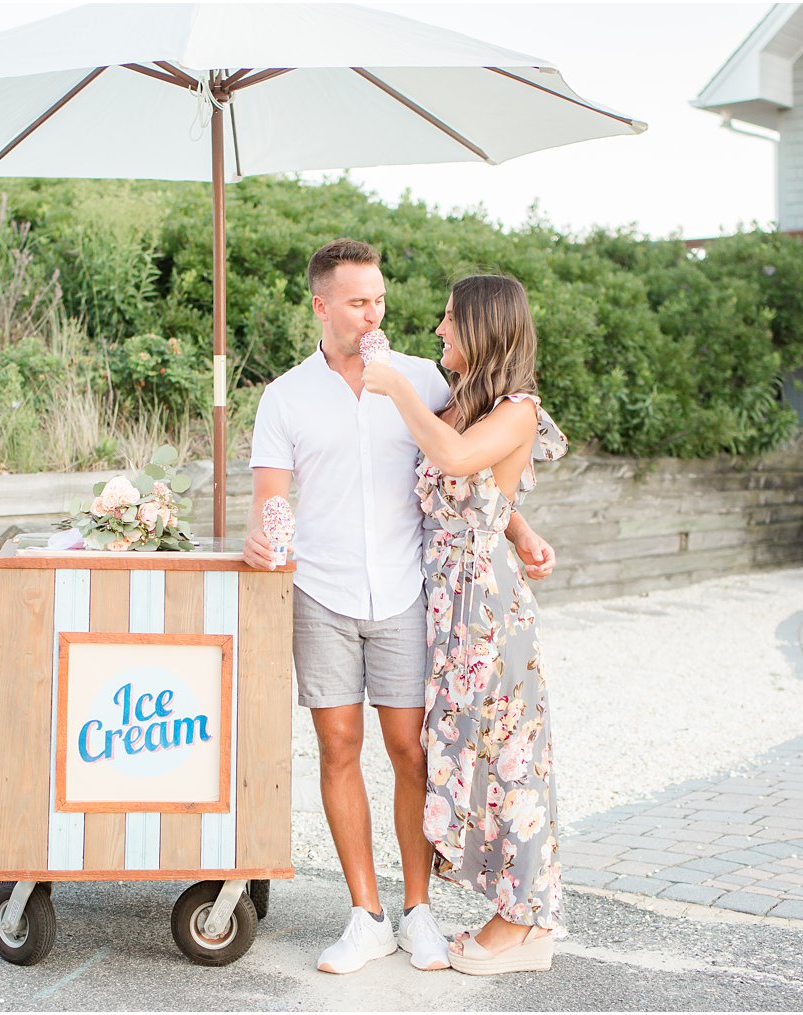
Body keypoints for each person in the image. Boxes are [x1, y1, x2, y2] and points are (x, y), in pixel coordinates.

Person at [243, 241, 557, 975]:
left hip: (411, 596)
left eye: (379, 298)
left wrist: (521, 526)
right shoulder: (285, 396)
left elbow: (472, 466)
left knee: (412, 750)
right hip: (321, 594)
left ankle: (420, 911)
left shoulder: (423, 382)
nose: (374, 313)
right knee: (338, 748)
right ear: (322, 307)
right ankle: (366, 915)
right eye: (357, 302)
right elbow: (270, 500)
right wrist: (262, 536)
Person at [361, 273, 569, 976]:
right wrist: (522, 526)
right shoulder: (463, 405)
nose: (440, 330)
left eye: (450, 319)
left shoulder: (518, 406)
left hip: (485, 611)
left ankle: (525, 921)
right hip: (446, 607)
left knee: (511, 760)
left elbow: (455, 462)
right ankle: (508, 909)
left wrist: (394, 387)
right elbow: (482, 487)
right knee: (471, 757)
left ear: (481, 327)